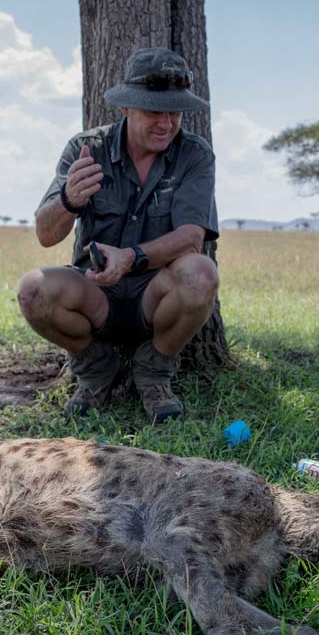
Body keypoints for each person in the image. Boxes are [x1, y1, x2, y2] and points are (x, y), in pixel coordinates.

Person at [17, 47, 219, 423]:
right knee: (32, 289)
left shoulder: (194, 154)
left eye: (174, 111)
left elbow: (192, 238)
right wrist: (68, 200)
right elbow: (46, 234)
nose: (166, 123)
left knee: (200, 272)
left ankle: (154, 370)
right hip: (94, 291)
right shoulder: (85, 149)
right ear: (127, 107)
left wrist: (131, 258)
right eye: (154, 111)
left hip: (156, 292)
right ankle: (96, 367)